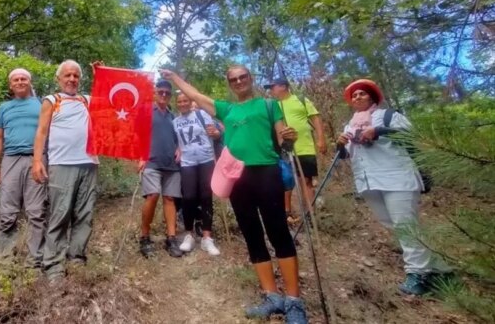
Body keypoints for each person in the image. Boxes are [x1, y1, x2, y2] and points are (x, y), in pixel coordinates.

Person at [161, 66, 308, 324]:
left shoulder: (269, 105)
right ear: (229, 84)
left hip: (267, 173)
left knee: (279, 233)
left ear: (250, 79)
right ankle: (271, 296)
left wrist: (290, 138)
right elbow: (196, 95)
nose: (238, 81)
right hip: (237, 179)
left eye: (243, 77)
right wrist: (174, 78)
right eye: (233, 79)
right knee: (252, 236)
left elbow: (283, 139)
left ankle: (294, 301)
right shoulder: (227, 110)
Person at [337, 79, 451, 296]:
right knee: (392, 224)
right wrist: (340, 143)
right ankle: (439, 268)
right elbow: (345, 155)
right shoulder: (350, 125)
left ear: (372, 97)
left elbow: (409, 135)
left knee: (405, 225)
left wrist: (378, 131)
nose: (358, 97)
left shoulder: (389, 116)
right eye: (354, 95)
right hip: (368, 181)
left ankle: (417, 274)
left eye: (362, 94)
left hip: (397, 177)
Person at [32, 60, 99, 281]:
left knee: (84, 215)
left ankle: (76, 258)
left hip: (89, 163)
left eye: (76, 76)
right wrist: (37, 161)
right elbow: (41, 132)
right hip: (61, 164)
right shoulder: (52, 100)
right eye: (67, 76)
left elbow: (113, 102)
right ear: (59, 79)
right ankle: (53, 266)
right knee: (60, 215)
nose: (72, 79)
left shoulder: (88, 100)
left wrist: (100, 74)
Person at [0, 68, 46, 269]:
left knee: (36, 212)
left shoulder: (42, 104)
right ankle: (5, 262)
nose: (20, 82)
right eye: (16, 79)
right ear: (10, 84)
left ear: (30, 82)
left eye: (24, 79)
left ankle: (34, 262)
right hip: (10, 160)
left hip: (37, 159)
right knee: (7, 212)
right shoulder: (4, 107)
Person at [264, 77, 327, 221]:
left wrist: (321, 139)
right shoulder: (273, 105)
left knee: (306, 181)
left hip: (304, 148)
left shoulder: (301, 100)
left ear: (283, 86)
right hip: (282, 150)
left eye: (273, 87)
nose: (271, 90)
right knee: (286, 180)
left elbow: (315, 118)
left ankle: (311, 215)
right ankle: (287, 213)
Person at [139, 80, 183, 258]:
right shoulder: (147, 111)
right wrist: (140, 157)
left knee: (170, 199)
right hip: (151, 161)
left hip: (172, 165)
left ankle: (171, 238)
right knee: (152, 195)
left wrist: (179, 148)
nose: (164, 95)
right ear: (155, 93)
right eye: (161, 92)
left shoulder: (173, 117)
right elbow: (138, 134)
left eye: (167, 93)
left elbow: (178, 137)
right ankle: (144, 236)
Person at [173, 92, 220, 256]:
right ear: (177, 104)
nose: (183, 103)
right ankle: (189, 234)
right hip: (187, 163)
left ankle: (207, 237)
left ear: (190, 101)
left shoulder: (202, 114)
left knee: (207, 196)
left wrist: (216, 133)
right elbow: (176, 142)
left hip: (206, 160)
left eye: (186, 100)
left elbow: (216, 132)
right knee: (189, 197)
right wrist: (177, 150)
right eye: (180, 101)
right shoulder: (175, 122)